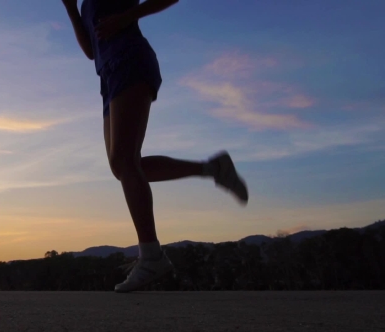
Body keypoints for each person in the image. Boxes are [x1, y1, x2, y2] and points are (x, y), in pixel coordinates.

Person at [61, 0, 248, 293]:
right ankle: (214, 168)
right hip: (108, 74)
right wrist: (70, 8)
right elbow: (90, 51)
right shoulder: (86, 4)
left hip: (130, 59)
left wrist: (126, 15)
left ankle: (151, 255)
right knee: (121, 166)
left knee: (124, 161)